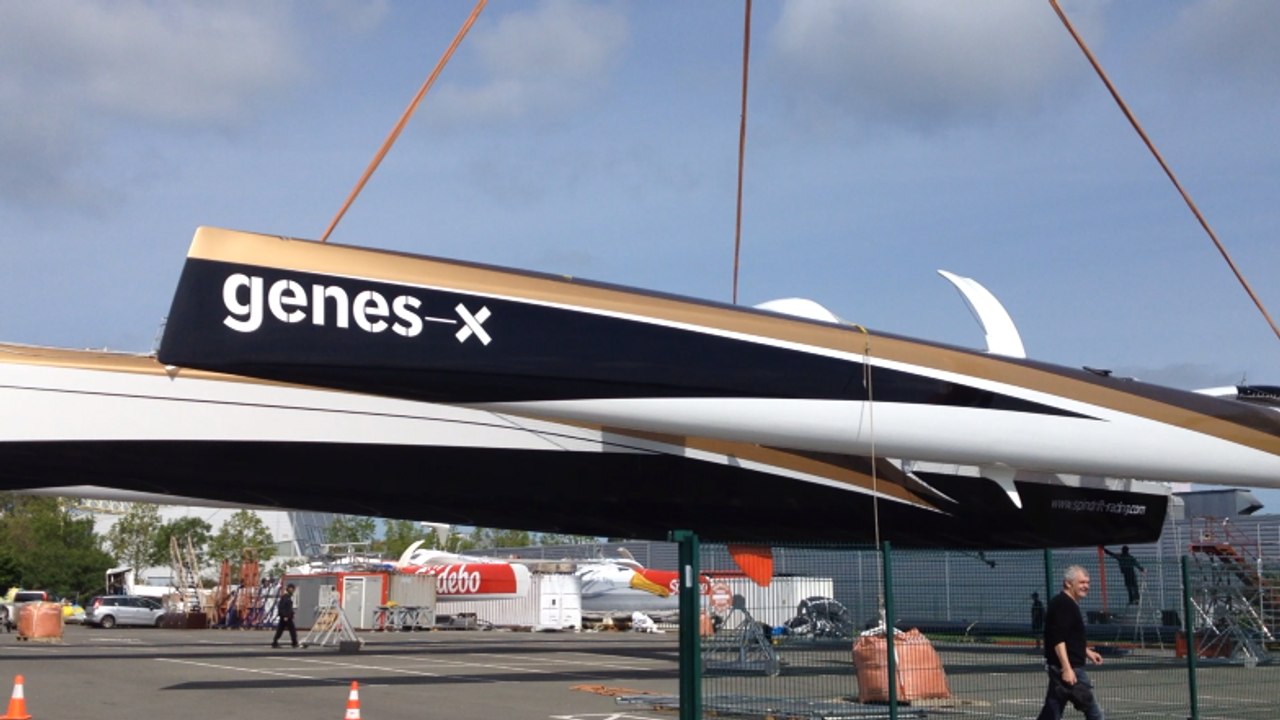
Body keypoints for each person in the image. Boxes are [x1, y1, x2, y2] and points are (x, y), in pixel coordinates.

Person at [1037, 565, 1105, 720]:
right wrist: (1067, 668)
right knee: (1093, 710)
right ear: (1068, 583)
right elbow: (1058, 639)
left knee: (1052, 710)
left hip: (1066, 666)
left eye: (1087, 583)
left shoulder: (1068, 603)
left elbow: (1070, 637)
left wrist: (1087, 652)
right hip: (1071, 669)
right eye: (1081, 582)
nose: (1086, 586)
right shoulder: (1064, 604)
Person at [271, 583, 298, 649]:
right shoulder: (285, 597)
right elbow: (283, 607)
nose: (293, 590)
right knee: (292, 630)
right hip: (286, 617)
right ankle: (294, 643)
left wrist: (292, 613)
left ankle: (275, 642)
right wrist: (285, 616)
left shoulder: (288, 597)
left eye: (293, 589)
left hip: (287, 616)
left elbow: (289, 608)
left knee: (280, 630)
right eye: (292, 589)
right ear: (288, 589)